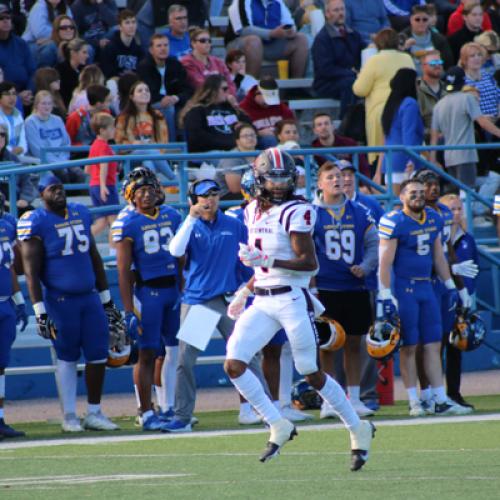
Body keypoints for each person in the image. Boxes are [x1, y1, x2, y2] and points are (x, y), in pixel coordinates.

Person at [223, 147, 374, 469]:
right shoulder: (250, 211)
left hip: (291, 298)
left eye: (283, 178)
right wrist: (243, 290)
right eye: (272, 178)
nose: (278, 184)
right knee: (233, 364)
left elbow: (309, 264)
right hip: (262, 298)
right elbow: (260, 266)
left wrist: (267, 260)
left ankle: (357, 428)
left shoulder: (298, 210)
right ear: (259, 179)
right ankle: (277, 423)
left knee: (310, 370)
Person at [163, 178, 268, 432]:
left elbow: (250, 257)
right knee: (186, 361)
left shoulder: (233, 225)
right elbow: (175, 251)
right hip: (199, 300)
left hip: (230, 298)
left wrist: (246, 291)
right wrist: (190, 218)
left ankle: (266, 410)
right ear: (194, 200)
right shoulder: (190, 224)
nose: (209, 200)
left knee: (248, 354)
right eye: (203, 196)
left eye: (213, 195)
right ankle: (182, 417)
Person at [18, 173, 119, 432]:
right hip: (60, 301)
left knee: (98, 353)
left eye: (60, 188)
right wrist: (39, 311)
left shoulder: (80, 212)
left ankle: (94, 412)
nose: (58, 192)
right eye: (52, 189)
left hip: (89, 297)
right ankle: (70, 415)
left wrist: (106, 298)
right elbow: (31, 271)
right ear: (41, 195)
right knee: (66, 356)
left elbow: (94, 256)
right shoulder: (36, 221)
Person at [377, 177, 471, 417]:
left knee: (433, 343)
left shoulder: (434, 217)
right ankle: (413, 400)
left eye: (421, 192)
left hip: (427, 288)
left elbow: (439, 256)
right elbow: (385, 263)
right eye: (412, 193)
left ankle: (439, 399)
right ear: (402, 197)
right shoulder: (394, 221)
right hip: (404, 289)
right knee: (409, 346)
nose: (418, 196)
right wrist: (386, 294)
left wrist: (450, 285)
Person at [113, 168, 182, 431]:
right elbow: (123, 270)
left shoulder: (172, 215)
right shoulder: (127, 223)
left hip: (172, 291)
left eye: (150, 189)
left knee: (173, 351)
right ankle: (145, 410)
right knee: (147, 352)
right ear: (130, 195)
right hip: (147, 293)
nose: (146, 194)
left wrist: (183, 291)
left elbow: (182, 259)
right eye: (140, 190)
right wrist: (128, 309)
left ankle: (168, 406)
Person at [311, 161, 378, 418]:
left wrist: (366, 266)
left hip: (355, 286)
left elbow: (374, 244)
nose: (337, 180)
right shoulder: (311, 213)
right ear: (320, 183)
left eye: (339, 176)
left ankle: (355, 397)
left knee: (353, 343)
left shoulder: (360, 211)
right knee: (327, 344)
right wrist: (312, 286)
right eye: (330, 177)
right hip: (326, 287)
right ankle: (329, 400)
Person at [415, 171, 477, 411]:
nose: (432, 188)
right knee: (427, 343)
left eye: (435, 184)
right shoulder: (411, 215)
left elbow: (447, 249)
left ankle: (452, 394)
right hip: (422, 283)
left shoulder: (441, 214)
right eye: (427, 184)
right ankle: (426, 394)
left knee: (452, 341)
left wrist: (460, 287)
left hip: (444, 287)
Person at [352, 28, 415, 165]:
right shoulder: (407, 58)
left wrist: (359, 75)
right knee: (406, 156)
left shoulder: (374, 60)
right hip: (405, 110)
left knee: (380, 159)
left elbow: (359, 90)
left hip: (381, 112)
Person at [430, 66, 500, 188]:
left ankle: (481, 206)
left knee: (458, 193)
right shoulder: (467, 98)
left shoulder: (439, 105)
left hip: (449, 157)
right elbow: (482, 122)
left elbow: (434, 137)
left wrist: (432, 161)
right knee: (468, 192)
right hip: (465, 155)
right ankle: (481, 208)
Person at [226, 0, 309, 78]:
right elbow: (243, 30)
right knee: (254, 41)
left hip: (270, 44)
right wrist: (271, 33)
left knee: (301, 39)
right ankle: (251, 87)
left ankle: (295, 87)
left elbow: (290, 24)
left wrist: (291, 31)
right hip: (239, 44)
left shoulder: (278, 2)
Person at [0, 204, 28, 439]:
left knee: (0, 365)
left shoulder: (7, 226)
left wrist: (19, 300)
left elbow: (9, 267)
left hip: (5, 303)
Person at [312, 0, 364, 119]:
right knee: (350, 83)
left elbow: (364, 50)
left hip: (350, 77)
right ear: (327, 13)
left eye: (342, 9)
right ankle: (346, 124)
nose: (341, 13)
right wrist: (352, 73)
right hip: (326, 83)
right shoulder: (322, 39)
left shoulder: (353, 34)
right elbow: (325, 69)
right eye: (336, 10)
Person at [115, 80, 175, 181]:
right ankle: (174, 179)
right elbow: (119, 142)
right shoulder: (123, 117)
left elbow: (163, 141)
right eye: (140, 90)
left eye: (147, 90)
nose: (144, 92)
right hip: (130, 158)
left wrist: (154, 149)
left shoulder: (157, 116)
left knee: (148, 161)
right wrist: (133, 144)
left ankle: (152, 186)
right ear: (132, 97)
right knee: (147, 150)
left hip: (154, 157)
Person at [137, 33, 191, 142]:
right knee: (168, 109)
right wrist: (163, 99)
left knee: (188, 110)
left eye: (166, 45)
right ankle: (171, 146)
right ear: (151, 50)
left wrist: (176, 98)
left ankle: (189, 151)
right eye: (159, 46)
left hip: (175, 101)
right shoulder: (144, 67)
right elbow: (147, 93)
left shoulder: (175, 65)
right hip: (152, 102)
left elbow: (187, 89)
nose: (163, 49)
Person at [377, 68, 424, 195]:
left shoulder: (390, 105)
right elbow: (408, 134)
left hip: (390, 161)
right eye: (417, 82)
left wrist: (378, 170)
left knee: (394, 206)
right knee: (408, 206)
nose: (419, 86)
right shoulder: (410, 103)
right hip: (405, 162)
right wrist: (412, 159)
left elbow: (386, 138)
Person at [25, 90, 85, 183]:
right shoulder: (30, 122)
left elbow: (66, 143)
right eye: (43, 103)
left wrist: (62, 159)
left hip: (63, 159)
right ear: (36, 105)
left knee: (80, 174)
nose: (47, 106)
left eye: (49, 103)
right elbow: (36, 150)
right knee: (63, 174)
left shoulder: (57, 119)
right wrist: (57, 162)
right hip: (44, 162)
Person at [180, 74, 248, 153]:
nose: (228, 92)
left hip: (237, 149)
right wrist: (230, 143)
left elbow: (250, 127)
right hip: (210, 152)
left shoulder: (232, 108)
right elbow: (197, 137)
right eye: (224, 89)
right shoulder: (197, 111)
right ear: (213, 90)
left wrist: (236, 106)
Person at [87, 112, 118, 258]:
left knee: (101, 222)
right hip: (105, 186)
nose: (114, 130)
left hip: (95, 185)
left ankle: (79, 241)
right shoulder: (103, 146)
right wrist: (103, 185)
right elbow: (103, 165)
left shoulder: (94, 145)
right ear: (102, 130)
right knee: (114, 221)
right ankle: (113, 254)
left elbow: (87, 168)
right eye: (112, 128)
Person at [240, 76, 295, 149]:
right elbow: (241, 132)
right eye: (266, 100)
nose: (269, 104)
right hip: (257, 142)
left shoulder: (281, 107)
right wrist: (258, 133)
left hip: (280, 140)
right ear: (257, 93)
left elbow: (290, 122)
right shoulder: (244, 108)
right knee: (269, 140)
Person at [310, 112, 370, 176]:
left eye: (326, 123)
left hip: (350, 183)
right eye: (319, 125)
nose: (323, 127)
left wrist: (363, 185)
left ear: (333, 127)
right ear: (314, 130)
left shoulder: (350, 144)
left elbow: (363, 168)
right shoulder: (313, 150)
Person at [180, 27, 236, 95]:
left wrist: (228, 95)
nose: (207, 43)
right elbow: (199, 84)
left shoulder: (218, 62)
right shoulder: (187, 62)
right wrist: (223, 94)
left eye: (209, 41)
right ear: (193, 43)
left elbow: (230, 84)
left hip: (223, 98)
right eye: (203, 41)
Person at [401, 5, 454, 73]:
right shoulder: (402, 39)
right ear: (411, 20)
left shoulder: (440, 40)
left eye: (425, 19)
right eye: (417, 19)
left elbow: (448, 63)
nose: (421, 22)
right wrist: (404, 48)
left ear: (428, 20)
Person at [0, 123, 38, 215]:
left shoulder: (13, 158)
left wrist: (24, 199)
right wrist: (6, 202)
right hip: (3, 205)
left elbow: (26, 182)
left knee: (33, 214)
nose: (0, 138)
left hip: (17, 203)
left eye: (2, 135)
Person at [22, 0, 72, 68]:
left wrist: (56, 38)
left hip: (57, 42)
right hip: (31, 44)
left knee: (84, 48)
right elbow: (40, 33)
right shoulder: (39, 7)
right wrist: (61, 35)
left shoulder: (65, 8)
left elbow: (72, 28)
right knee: (51, 47)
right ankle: (44, 76)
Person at [217, 122, 257, 201]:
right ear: (237, 141)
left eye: (252, 135)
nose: (250, 138)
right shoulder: (231, 158)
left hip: (252, 190)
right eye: (245, 136)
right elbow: (235, 189)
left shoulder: (261, 154)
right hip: (226, 196)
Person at [0, 4, 36, 92]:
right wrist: (16, 95)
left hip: (25, 92)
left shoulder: (21, 43)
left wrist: (29, 90)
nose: (5, 21)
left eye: (8, 18)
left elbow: (32, 71)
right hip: (4, 94)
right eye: (1, 18)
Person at [100, 9, 144, 79]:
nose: (131, 26)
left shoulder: (139, 50)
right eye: (127, 23)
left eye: (133, 22)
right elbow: (108, 72)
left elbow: (142, 72)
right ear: (120, 27)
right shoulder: (110, 48)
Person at [461, 42, 500, 118]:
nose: (477, 58)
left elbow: (499, 96)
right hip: (478, 124)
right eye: (472, 56)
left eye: (479, 55)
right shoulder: (462, 80)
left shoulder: (488, 76)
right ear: (465, 60)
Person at [416, 50, 447, 142]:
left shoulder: (448, 89)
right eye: (433, 63)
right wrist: (434, 134)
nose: (437, 66)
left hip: (450, 138)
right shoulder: (417, 90)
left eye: (439, 62)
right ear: (423, 67)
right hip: (427, 140)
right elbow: (416, 124)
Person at [56, 38, 90, 107]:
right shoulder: (60, 70)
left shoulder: (85, 70)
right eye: (84, 52)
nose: (87, 56)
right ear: (73, 53)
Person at [0, 81, 28, 157]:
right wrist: (12, 152)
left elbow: (23, 139)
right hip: (4, 157)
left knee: (39, 164)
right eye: (7, 94)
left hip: (19, 156)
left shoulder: (18, 115)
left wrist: (21, 148)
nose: (12, 97)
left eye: (14, 94)